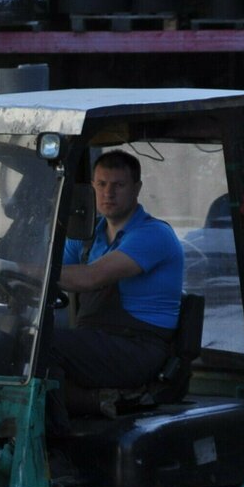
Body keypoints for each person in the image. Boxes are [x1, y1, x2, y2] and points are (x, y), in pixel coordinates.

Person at [46, 149, 184, 392]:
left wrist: (22, 271)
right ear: (92, 187)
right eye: (101, 184)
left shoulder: (153, 234)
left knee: (45, 345)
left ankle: (54, 428)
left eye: (118, 185)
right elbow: (56, 267)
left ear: (137, 188)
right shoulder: (87, 235)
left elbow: (91, 277)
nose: (108, 193)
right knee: (19, 340)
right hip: (97, 340)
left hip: (138, 347)